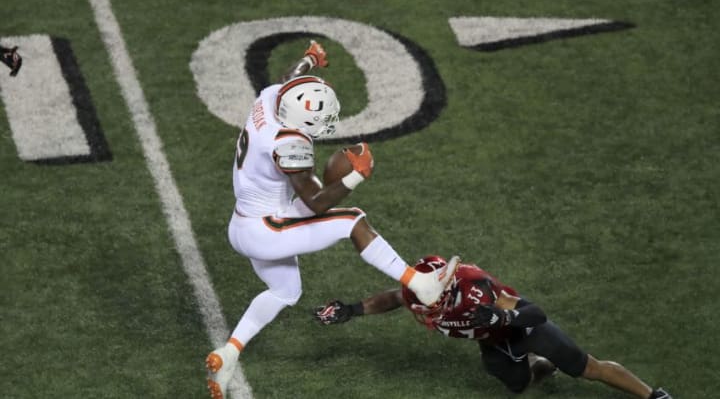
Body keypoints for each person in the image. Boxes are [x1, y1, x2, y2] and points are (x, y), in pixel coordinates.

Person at [205, 41, 456, 399]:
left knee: (285, 291)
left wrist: (309, 59)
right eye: (321, 118)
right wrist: (357, 176)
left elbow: (287, 79)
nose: (327, 123)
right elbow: (317, 203)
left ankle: (228, 353)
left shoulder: (270, 99)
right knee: (350, 219)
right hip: (265, 229)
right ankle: (419, 283)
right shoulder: (288, 144)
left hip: (247, 218)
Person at [314, 255, 672, 399]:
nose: (423, 312)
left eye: (429, 306)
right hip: (492, 345)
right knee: (518, 386)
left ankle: (652, 395)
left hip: (522, 329)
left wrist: (504, 316)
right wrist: (353, 309)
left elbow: (537, 314)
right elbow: (393, 298)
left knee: (586, 367)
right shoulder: (416, 290)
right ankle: (537, 366)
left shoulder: (475, 287)